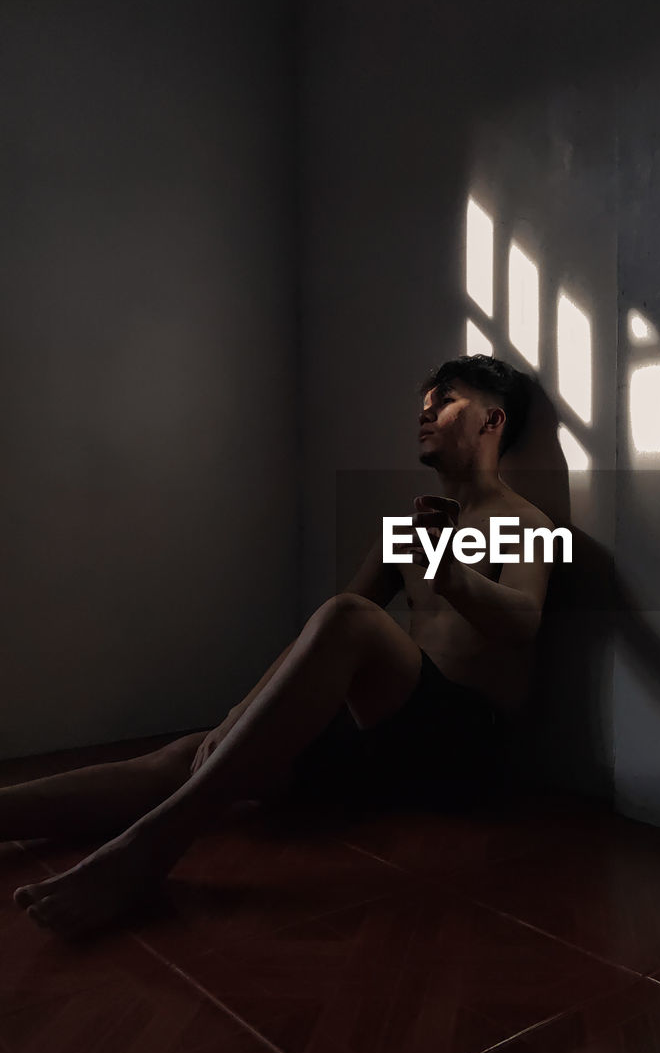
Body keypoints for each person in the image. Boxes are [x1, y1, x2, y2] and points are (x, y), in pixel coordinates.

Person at [6, 355, 554, 936]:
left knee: (352, 617)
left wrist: (451, 574)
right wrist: (238, 717)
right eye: (422, 406)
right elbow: (321, 637)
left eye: (444, 401)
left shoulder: (527, 523)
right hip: (380, 747)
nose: (425, 415)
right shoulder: (407, 532)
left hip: (463, 752)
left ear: (492, 421)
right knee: (194, 754)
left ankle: (149, 850)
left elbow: (524, 621)